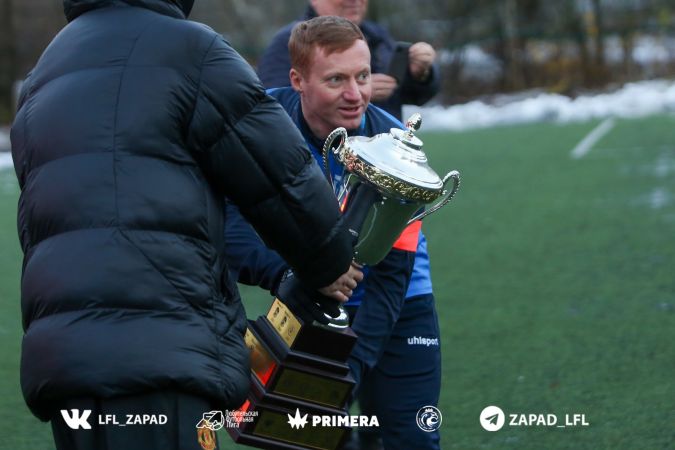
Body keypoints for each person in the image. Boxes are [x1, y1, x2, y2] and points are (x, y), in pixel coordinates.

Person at [9, 2, 361, 450]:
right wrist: (328, 259)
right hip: (161, 348)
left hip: (64, 360)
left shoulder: (44, 72)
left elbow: (36, 219)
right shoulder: (189, 49)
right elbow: (278, 173)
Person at [226, 16, 441, 450]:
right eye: (336, 79)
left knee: (411, 440)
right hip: (309, 302)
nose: (355, 94)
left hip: (398, 305)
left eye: (363, 76)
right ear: (297, 80)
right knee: (305, 441)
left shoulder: (393, 141)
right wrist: (291, 275)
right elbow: (229, 226)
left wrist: (350, 371)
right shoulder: (262, 126)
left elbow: (393, 275)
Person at [257, 0, 440, 121]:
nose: (355, 0)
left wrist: (420, 74)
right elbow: (272, 108)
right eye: (336, 78)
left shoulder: (376, 35)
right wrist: (359, 92)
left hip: (384, 153)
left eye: (362, 76)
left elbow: (415, 95)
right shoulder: (289, 41)